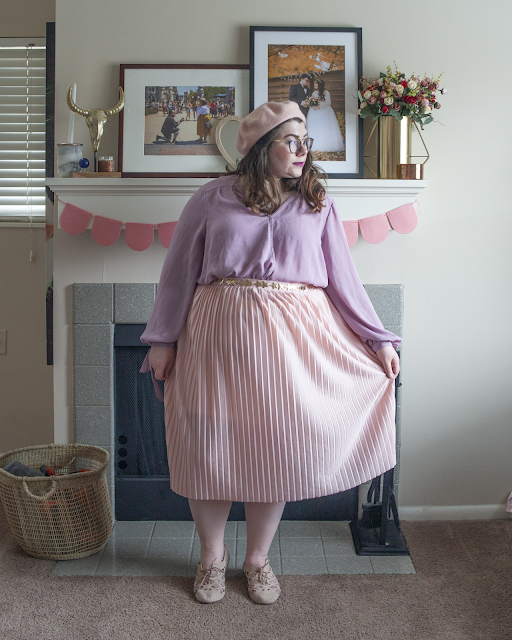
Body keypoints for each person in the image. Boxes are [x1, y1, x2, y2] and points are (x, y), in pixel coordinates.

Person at [140, 101, 400, 606]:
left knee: (275, 450)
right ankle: (211, 559)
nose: (303, 151)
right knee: (208, 448)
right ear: (263, 148)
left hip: (293, 347)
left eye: (306, 142)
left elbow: (345, 281)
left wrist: (378, 339)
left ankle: (256, 560)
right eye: (291, 141)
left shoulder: (316, 202)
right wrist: (162, 340)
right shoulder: (212, 197)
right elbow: (175, 274)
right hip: (217, 339)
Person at [306, 78, 345, 153]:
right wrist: (312, 105)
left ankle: (325, 146)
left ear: (320, 85)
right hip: (314, 112)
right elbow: (312, 101)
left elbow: (328, 102)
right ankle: (315, 145)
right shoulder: (314, 93)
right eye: (314, 83)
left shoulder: (326, 92)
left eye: (316, 83)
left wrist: (319, 107)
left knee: (324, 128)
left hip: (324, 111)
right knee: (315, 127)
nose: (314, 85)